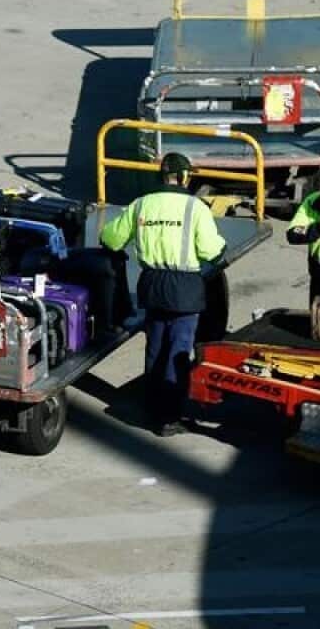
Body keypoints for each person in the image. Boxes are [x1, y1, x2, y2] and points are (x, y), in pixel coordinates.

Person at [100, 153, 226, 437]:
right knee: (179, 351)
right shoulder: (195, 208)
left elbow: (110, 238)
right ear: (183, 177)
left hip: (152, 284)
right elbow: (212, 251)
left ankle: (152, 408)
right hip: (184, 288)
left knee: (155, 347)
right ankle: (170, 417)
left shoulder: (141, 204)